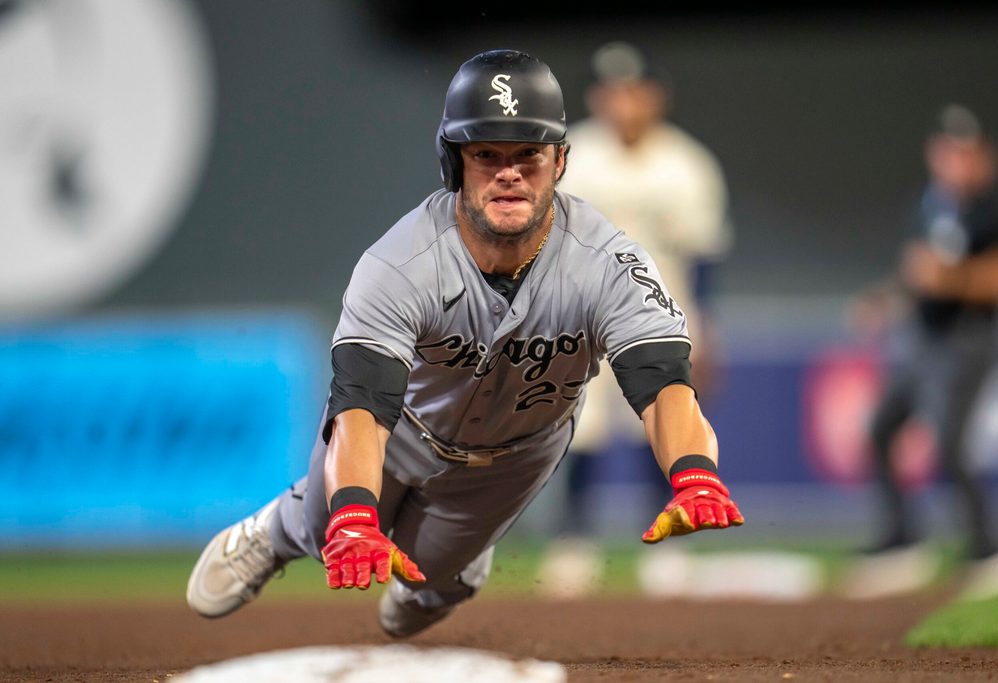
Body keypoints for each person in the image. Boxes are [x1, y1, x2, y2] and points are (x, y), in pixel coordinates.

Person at [185, 48, 745, 637]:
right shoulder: (399, 264)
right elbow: (362, 409)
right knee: (332, 527)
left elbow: (663, 387)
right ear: (453, 162)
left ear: (559, 161)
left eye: (528, 153)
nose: (509, 172)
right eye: (486, 154)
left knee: (424, 585)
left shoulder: (609, 262)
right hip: (403, 427)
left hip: (515, 452)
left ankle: (446, 578)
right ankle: (275, 531)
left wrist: (693, 471)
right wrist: (353, 515)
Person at [538, 41, 734, 597]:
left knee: (665, 427)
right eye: (612, 91)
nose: (622, 102)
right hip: (583, 311)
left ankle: (669, 544)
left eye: (633, 91)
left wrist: (708, 329)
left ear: (655, 97)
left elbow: (704, 256)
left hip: (661, 312)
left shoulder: (686, 164)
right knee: (579, 430)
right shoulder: (572, 153)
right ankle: (572, 541)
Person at [840, 104, 998, 601]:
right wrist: (882, 299)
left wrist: (953, 279)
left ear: (984, 158)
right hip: (923, 340)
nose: (957, 162)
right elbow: (914, 273)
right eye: (949, 151)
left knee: (949, 444)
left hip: (969, 339)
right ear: (934, 155)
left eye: (967, 153)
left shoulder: (992, 209)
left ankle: (993, 549)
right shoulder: (928, 204)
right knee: (881, 429)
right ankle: (903, 542)